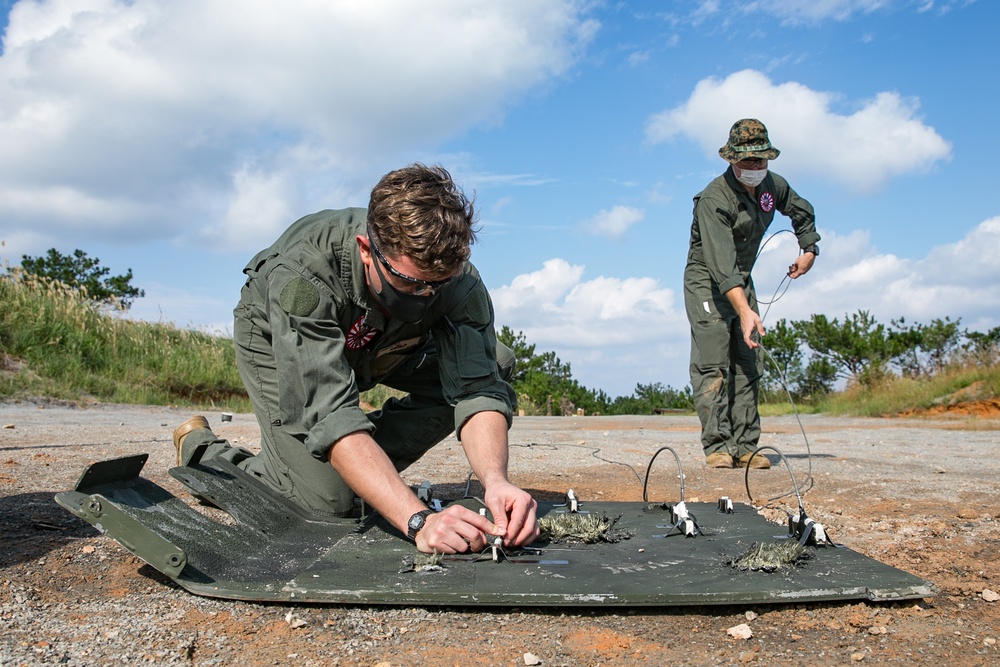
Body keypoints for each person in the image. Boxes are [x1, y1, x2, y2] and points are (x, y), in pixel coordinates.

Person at [172, 163, 539, 554]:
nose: (428, 296)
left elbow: (477, 387)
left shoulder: (453, 278)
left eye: (440, 284)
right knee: (324, 505)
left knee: (495, 363)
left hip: (383, 337)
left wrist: (495, 481)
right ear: (367, 251)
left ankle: (354, 468)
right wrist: (418, 520)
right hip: (279, 333)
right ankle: (203, 452)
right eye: (414, 284)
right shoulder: (302, 274)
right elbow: (329, 412)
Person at [683, 119, 820, 469]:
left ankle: (745, 445)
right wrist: (744, 311)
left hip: (741, 280)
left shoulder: (773, 186)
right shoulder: (714, 199)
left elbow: (801, 212)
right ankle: (717, 446)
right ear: (731, 159)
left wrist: (809, 249)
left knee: (748, 360)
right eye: (748, 161)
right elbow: (722, 265)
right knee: (713, 363)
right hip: (708, 281)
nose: (756, 168)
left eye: (761, 160)